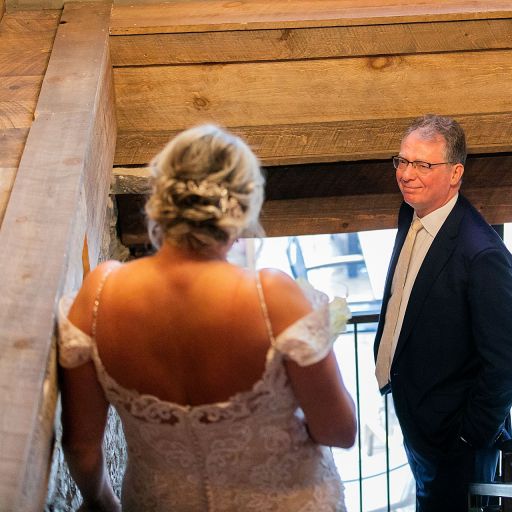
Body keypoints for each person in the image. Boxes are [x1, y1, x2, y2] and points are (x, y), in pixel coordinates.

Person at [57, 124, 356, 511]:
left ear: (159, 202)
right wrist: (321, 337)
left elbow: (81, 447)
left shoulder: (99, 294)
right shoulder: (273, 300)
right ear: (243, 210)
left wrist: (102, 501)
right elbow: (339, 431)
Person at [373, 114, 512, 511]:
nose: (406, 174)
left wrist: (465, 438)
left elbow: (507, 363)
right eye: (402, 161)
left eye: (423, 165)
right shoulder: (410, 211)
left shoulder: (483, 256)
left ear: (455, 173)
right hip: (415, 412)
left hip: (452, 442)